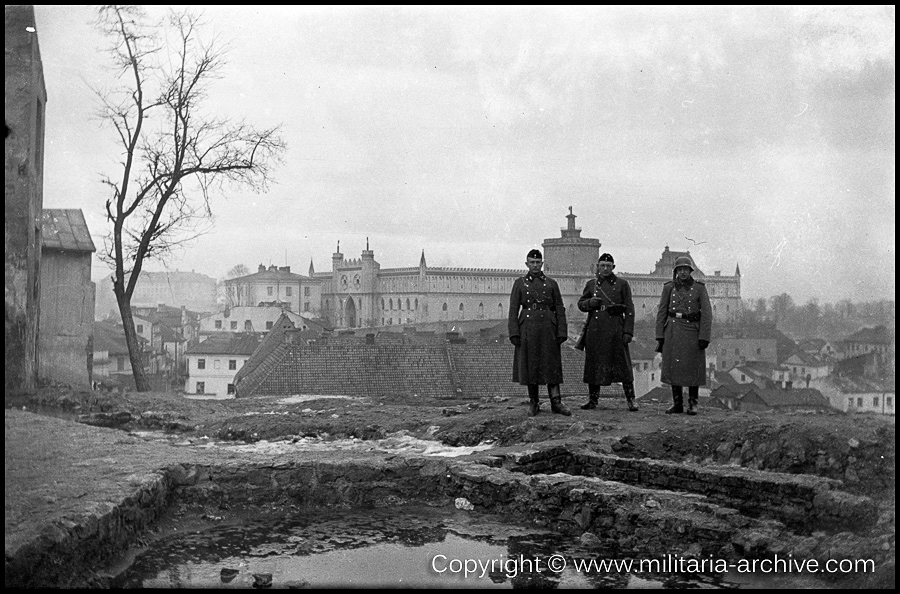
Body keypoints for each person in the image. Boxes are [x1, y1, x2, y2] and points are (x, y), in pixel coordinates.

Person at [508, 249, 570, 416]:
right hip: (527, 327)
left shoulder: (551, 284)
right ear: (527, 264)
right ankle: (534, 402)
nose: (535, 265)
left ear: (542, 264)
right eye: (532, 262)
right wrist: (514, 332)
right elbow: (513, 309)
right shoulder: (520, 283)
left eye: (538, 262)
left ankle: (556, 402)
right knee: (531, 365)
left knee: (552, 364)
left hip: (548, 327)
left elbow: (559, 308)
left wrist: (562, 330)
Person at [577, 253, 638, 412]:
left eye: (608, 266)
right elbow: (581, 304)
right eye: (602, 265)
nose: (605, 269)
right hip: (595, 330)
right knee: (594, 365)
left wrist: (628, 332)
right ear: (598, 266)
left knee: (623, 365)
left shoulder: (622, 284)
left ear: (613, 268)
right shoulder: (591, 285)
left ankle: (631, 399)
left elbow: (630, 309)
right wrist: (589, 303)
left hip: (615, 329)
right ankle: (592, 400)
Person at [655, 255, 712, 415]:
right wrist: (660, 335)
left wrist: (704, 337)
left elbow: (706, 314)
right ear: (676, 272)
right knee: (674, 367)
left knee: (693, 367)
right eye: (679, 270)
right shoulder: (669, 288)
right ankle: (677, 403)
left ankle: (693, 403)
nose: (683, 273)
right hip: (672, 331)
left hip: (692, 331)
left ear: (690, 271)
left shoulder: (699, 288)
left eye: (685, 270)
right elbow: (662, 312)